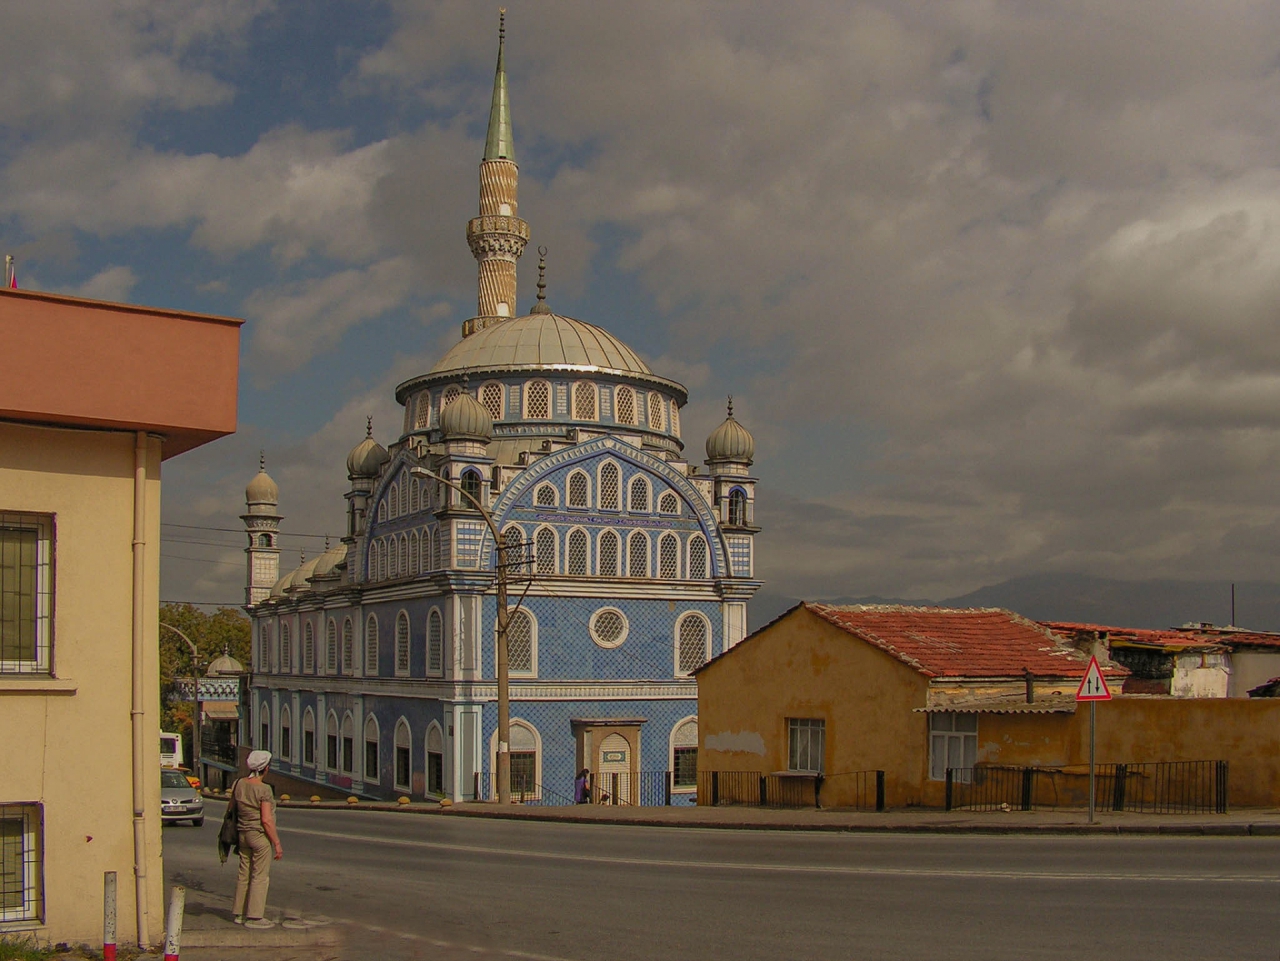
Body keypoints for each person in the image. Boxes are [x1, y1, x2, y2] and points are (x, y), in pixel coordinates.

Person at [231, 750, 283, 929]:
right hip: (259, 836)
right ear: (265, 768)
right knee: (260, 876)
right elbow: (266, 820)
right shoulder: (264, 789)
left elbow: (233, 808)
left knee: (244, 873)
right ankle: (255, 917)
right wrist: (276, 843)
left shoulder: (238, 783)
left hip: (242, 833)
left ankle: (239, 913)